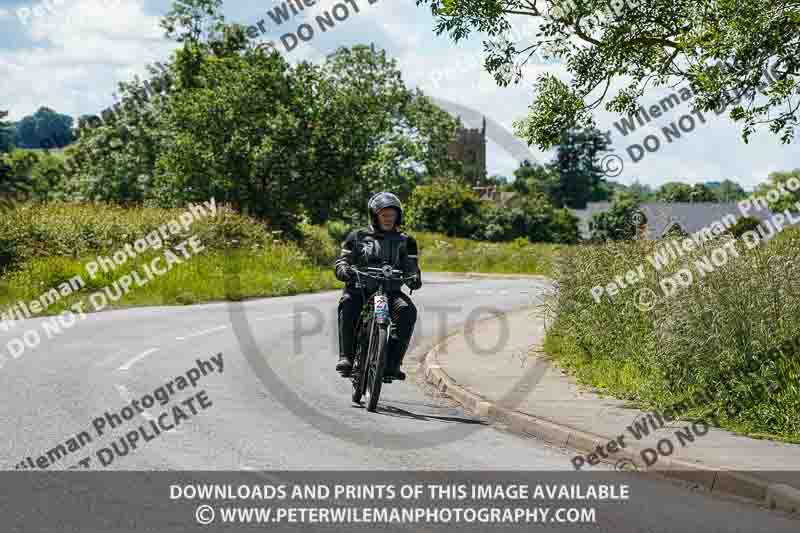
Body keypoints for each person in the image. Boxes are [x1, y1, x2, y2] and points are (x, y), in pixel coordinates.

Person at [334, 192, 422, 380]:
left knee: (407, 312)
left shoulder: (407, 241)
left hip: (390, 291)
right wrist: (344, 270)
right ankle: (346, 358)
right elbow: (343, 260)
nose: (389, 219)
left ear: (398, 216)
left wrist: (414, 278)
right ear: (375, 216)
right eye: (384, 215)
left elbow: (412, 267)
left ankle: (391, 365)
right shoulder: (357, 236)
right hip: (360, 289)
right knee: (348, 303)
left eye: (392, 215)